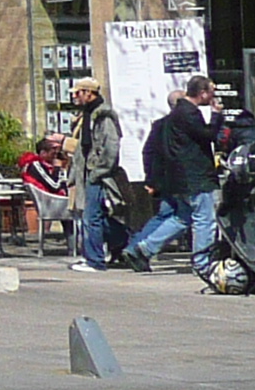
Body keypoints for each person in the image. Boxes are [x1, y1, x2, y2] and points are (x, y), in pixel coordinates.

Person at [125, 75, 223, 276]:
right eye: (211, 91)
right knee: (205, 219)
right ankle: (202, 263)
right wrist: (216, 115)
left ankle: (144, 248)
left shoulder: (174, 116)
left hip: (179, 178)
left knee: (182, 217)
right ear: (202, 93)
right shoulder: (189, 113)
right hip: (196, 177)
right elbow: (208, 135)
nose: (214, 96)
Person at [67, 78, 121, 272]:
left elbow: (111, 146)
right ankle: (120, 243)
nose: (74, 96)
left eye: (78, 92)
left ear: (89, 93)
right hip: (87, 172)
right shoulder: (87, 114)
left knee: (92, 216)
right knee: (94, 216)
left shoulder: (103, 116)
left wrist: (98, 171)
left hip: (97, 174)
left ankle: (96, 260)